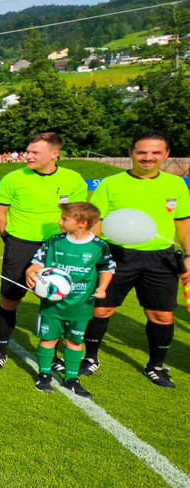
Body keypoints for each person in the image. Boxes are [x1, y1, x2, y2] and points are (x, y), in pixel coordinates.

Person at [84, 132, 190, 388]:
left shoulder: (176, 185)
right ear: (131, 152)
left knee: (162, 315)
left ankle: (156, 366)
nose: (148, 157)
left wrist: (188, 255)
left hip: (161, 258)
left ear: (166, 155)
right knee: (101, 309)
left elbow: (183, 223)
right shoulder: (110, 184)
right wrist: (92, 256)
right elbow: (95, 223)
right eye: (142, 152)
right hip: (117, 255)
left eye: (155, 152)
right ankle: (89, 357)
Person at [0, 132, 87, 370]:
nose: (27, 156)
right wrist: (10, 240)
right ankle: (0, 350)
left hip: (59, 247)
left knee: (56, 300)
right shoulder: (13, 178)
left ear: (54, 154)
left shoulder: (73, 180)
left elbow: (77, 216)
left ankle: (51, 356)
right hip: (20, 246)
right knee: (10, 299)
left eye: (34, 153)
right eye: (28, 151)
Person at [26, 202, 114, 398]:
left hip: (81, 304)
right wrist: (31, 273)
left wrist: (101, 288)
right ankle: (44, 375)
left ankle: (72, 378)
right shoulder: (54, 241)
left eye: (64, 219)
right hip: (52, 305)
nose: (59, 221)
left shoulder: (99, 246)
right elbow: (37, 263)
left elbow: (107, 268)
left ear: (82, 223)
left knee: (74, 341)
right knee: (48, 339)